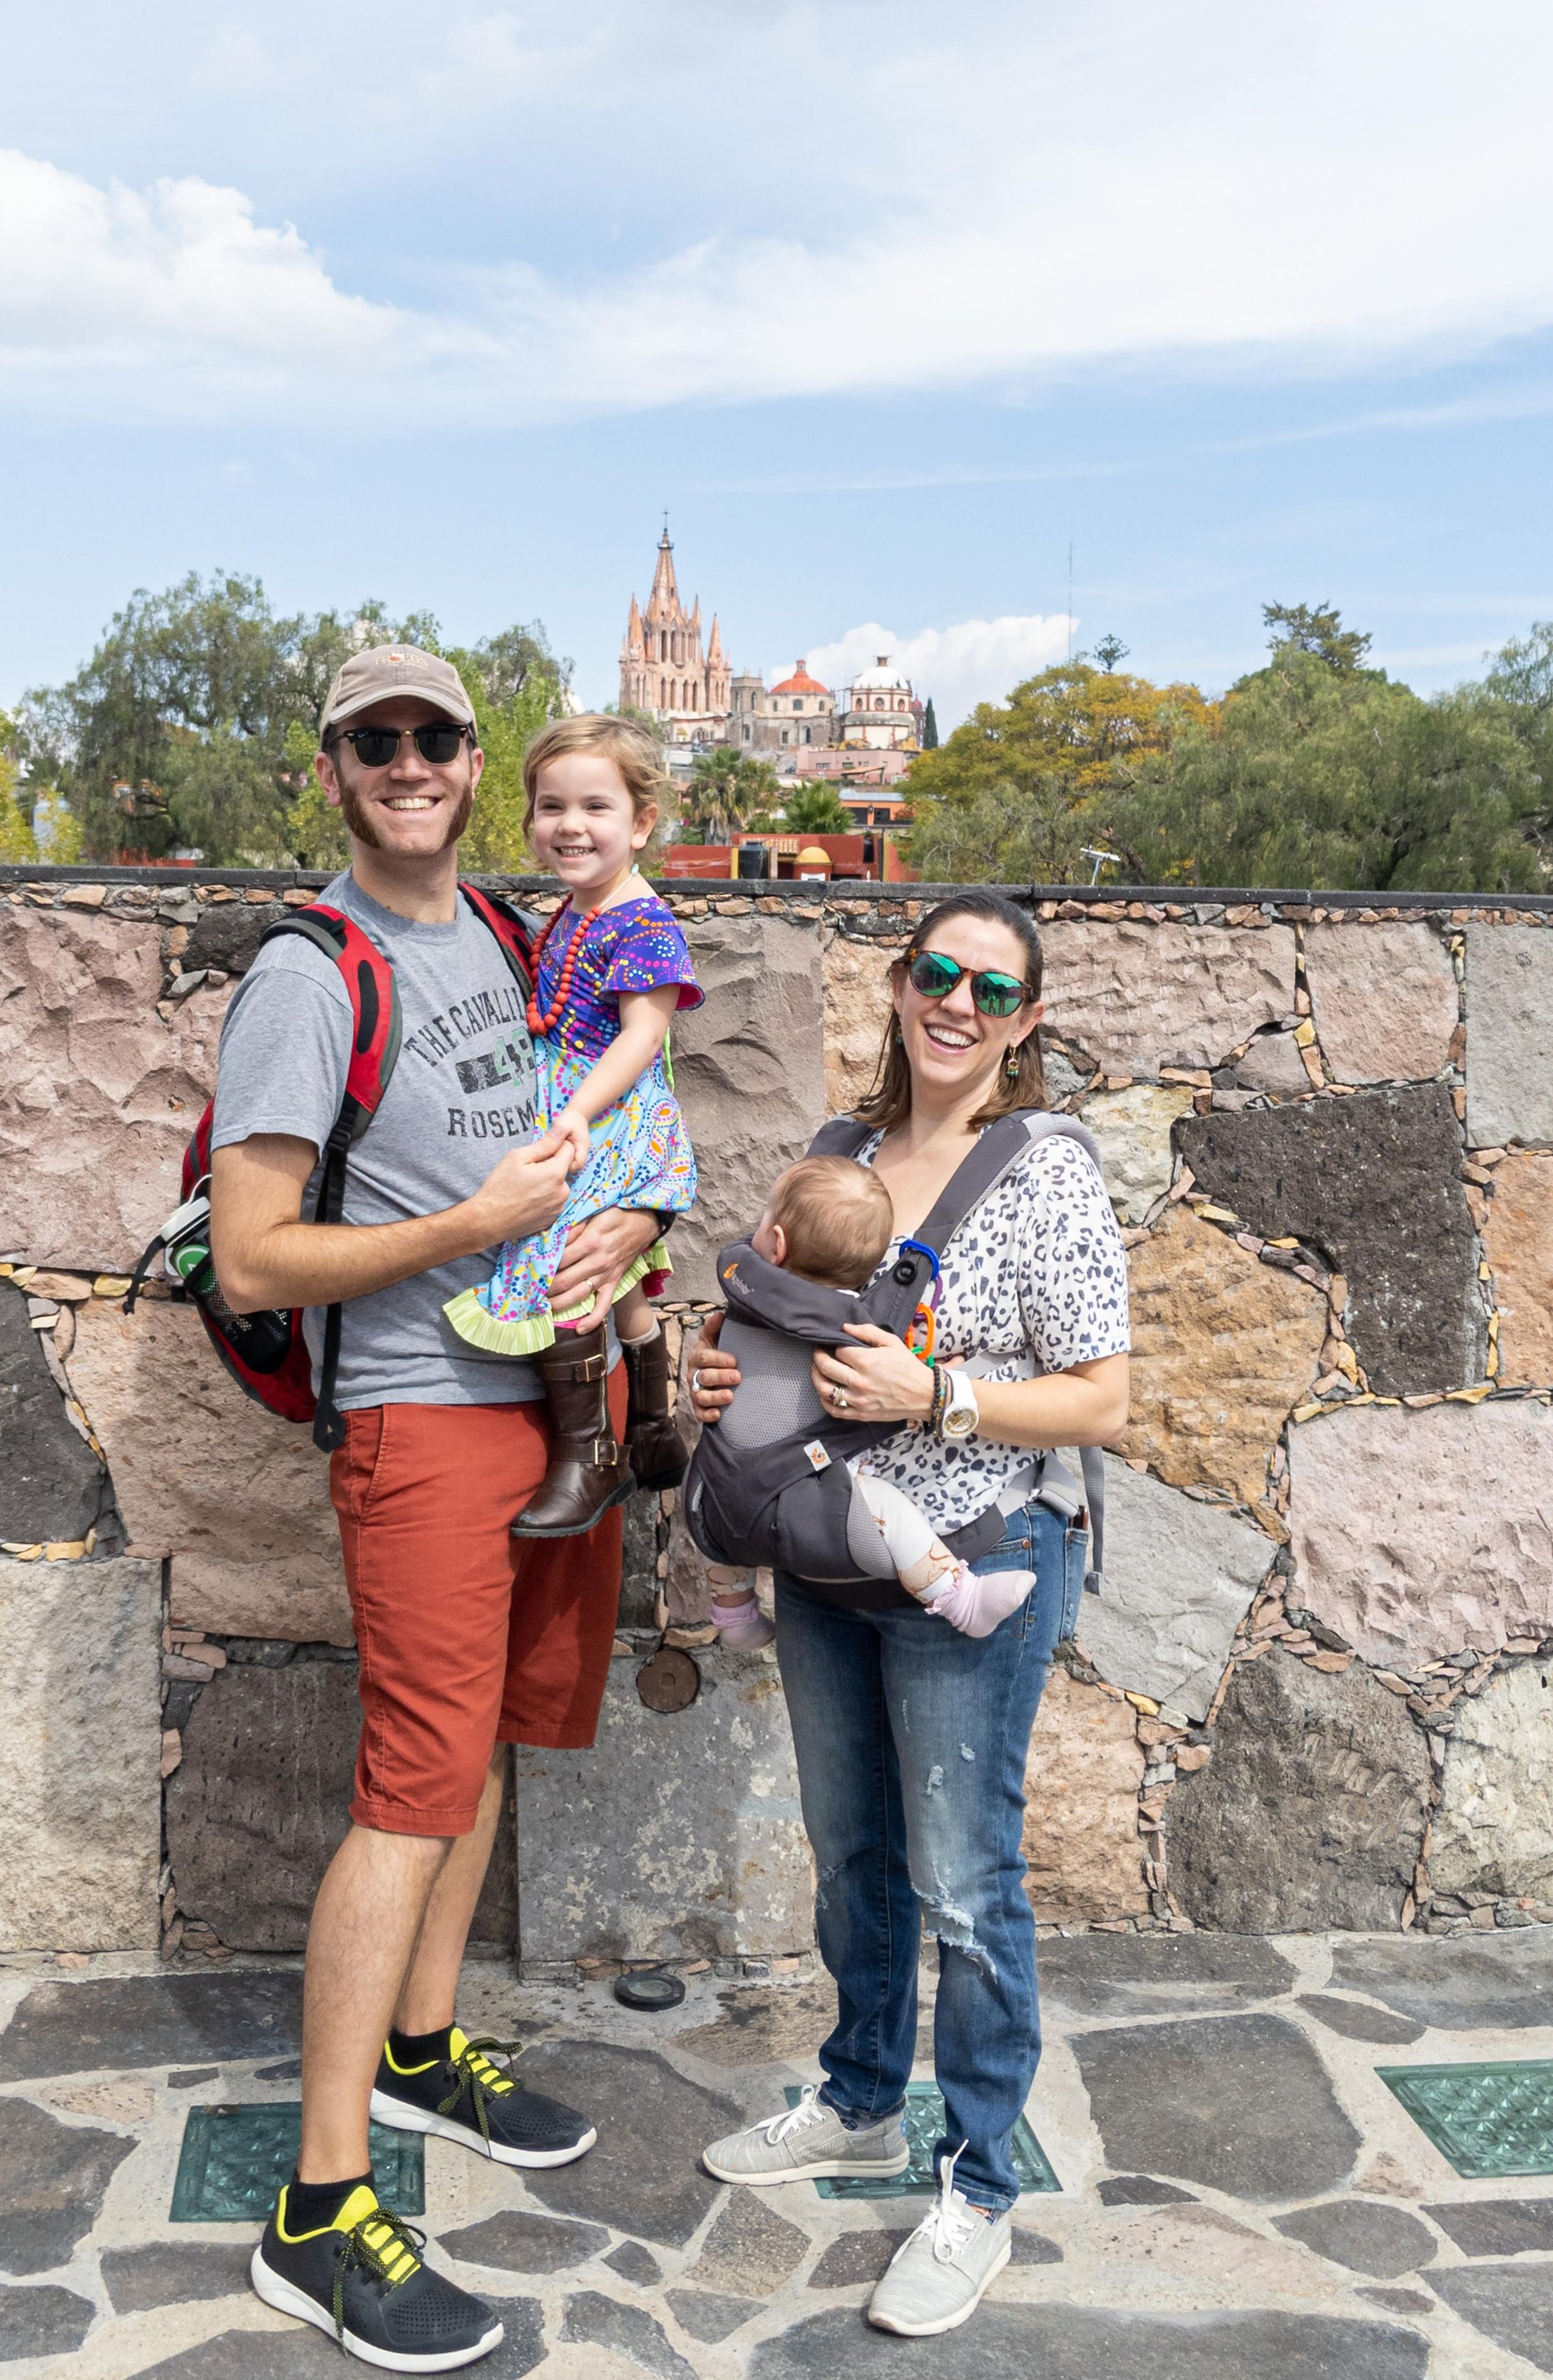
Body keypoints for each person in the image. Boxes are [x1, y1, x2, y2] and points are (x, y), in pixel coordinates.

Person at [208, 644, 663, 2372]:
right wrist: (463, 1233)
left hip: (550, 1396)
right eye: (373, 740)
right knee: (409, 1786)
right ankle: (319, 2205)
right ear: (333, 768)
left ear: (475, 762)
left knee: (475, 1754)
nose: (409, 762)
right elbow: (258, 1252)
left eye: (434, 737)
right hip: (419, 1416)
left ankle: (421, 2044)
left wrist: (629, 1229)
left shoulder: (500, 927)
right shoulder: (310, 974)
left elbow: (589, 1126)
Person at [689, 890, 1130, 2340]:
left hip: (968, 1561)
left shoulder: (1045, 1171)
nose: (957, 1003)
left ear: (1023, 1023)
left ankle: (981, 2181)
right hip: (823, 1558)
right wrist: (718, 1389)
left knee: (961, 1879)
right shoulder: (834, 1152)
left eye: (990, 991)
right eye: (936, 973)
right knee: (852, 1853)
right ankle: (861, 2090)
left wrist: (936, 1391)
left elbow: (1101, 1400)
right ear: (896, 985)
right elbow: (770, 1327)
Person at [444, 714, 697, 1534]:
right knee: (618, 1284)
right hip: (584, 1098)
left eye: (595, 806)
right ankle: (655, 1428)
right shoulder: (581, 909)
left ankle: (588, 1457)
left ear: (642, 821)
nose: (571, 826)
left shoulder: (642, 922)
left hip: (614, 1110)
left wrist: (577, 1114)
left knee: (564, 1265)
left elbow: (643, 1034)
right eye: (551, 807)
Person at [692, 1154, 1035, 1648]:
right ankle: (961, 1600)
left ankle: (735, 1616)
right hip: (806, 1504)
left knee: (708, 1479)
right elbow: (887, 1390)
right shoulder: (858, 1329)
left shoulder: (743, 1286)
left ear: (778, 1244)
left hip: (720, 1494)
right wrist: (940, 1377)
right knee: (887, 1510)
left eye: (763, 1221)